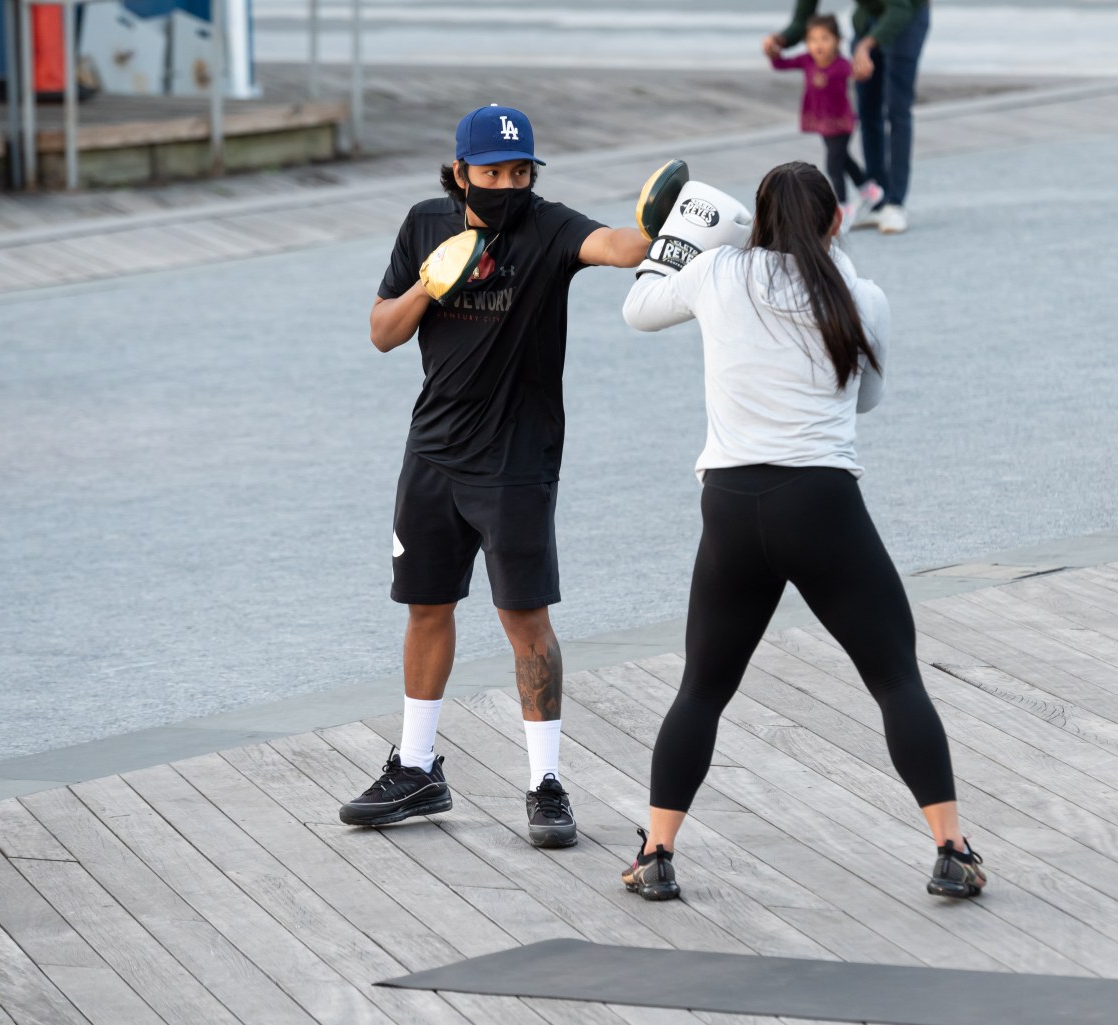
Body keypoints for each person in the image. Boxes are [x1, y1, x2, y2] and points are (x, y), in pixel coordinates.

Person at [619, 161, 987, 900]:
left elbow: (639, 310)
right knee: (895, 678)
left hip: (731, 505)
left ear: (758, 221)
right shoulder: (860, 294)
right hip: (821, 505)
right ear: (836, 221)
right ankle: (951, 849)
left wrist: (684, 239)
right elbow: (866, 400)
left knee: (702, 689)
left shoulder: (718, 273)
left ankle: (656, 854)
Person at [338, 104, 650, 849]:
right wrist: (431, 285)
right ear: (460, 172)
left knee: (525, 620)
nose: (508, 184)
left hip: (515, 463)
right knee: (426, 606)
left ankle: (547, 783)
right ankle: (417, 769)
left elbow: (616, 246)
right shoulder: (425, 224)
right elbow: (382, 332)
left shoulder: (546, 227)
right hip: (433, 455)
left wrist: (661, 224)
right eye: (493, 172)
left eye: (520, 172)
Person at [764, 0, 930, 234]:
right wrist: (779, 41)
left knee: (897, 110)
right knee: (868, 111)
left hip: (906, 17)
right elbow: (803, 19)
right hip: (868, 19)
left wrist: (866, 45)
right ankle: (877, 200)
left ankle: (895, 203)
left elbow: (899, 8)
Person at [767, 13, 881, 231]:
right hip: (822, 122)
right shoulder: (807, 60)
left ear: (837, 41)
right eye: (813, 39)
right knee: (843, 158)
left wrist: (864, 71)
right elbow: (780, 64)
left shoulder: (841, 65)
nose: (818, 44)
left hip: (841, 123)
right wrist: (772, 52)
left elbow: (858, 72)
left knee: (833, 165)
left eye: (825, 38)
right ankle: (869, 190)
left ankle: (844, 208)